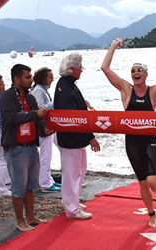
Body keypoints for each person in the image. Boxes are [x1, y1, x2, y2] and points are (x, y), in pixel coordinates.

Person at [101, 38, 156, 228]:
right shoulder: (125, 89)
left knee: (153, 180)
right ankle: (151, 214)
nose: (136, 73)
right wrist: (113, 45)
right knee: (143, 183)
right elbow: (105, 68)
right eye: (133, 71)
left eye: (139, 71)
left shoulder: (154, 91)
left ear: (146, 74)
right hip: (132, 143)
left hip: (150, 141)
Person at [0, 64, 54, 232]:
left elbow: (38, 118)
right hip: (16, 148)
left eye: (30, 77)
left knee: (31, 185)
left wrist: (44, 128)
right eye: (28, 77)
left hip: (31, 146)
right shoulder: (6, 96)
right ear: (17, 79)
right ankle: (20, 221)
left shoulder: (30, 97)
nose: (31, 80)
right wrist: (35, 115)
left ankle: (30, 217)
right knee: (18, 187)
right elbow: (12, 117)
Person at [54, 52, 100, 220]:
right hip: (71, 138)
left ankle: (73, 201)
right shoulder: (65, 87)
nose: (81, 70)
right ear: (72, 69)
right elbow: (73, 118)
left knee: (79, 171)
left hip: (75, 138)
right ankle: (72, 209)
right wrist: (90, 136)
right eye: (80, 67)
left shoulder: (68, 84)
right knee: (72, 174)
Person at [32, 67, 61, 192]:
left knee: (47, 155)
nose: (52, 80)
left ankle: (49, 180)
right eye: (50, 77)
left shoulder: (42, 90)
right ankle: (45, 184)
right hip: (43, 127)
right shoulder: (38, 90)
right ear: (43, 78)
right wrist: (55, 103)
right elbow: (40, 108)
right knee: (46, 155)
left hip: (47, 125)